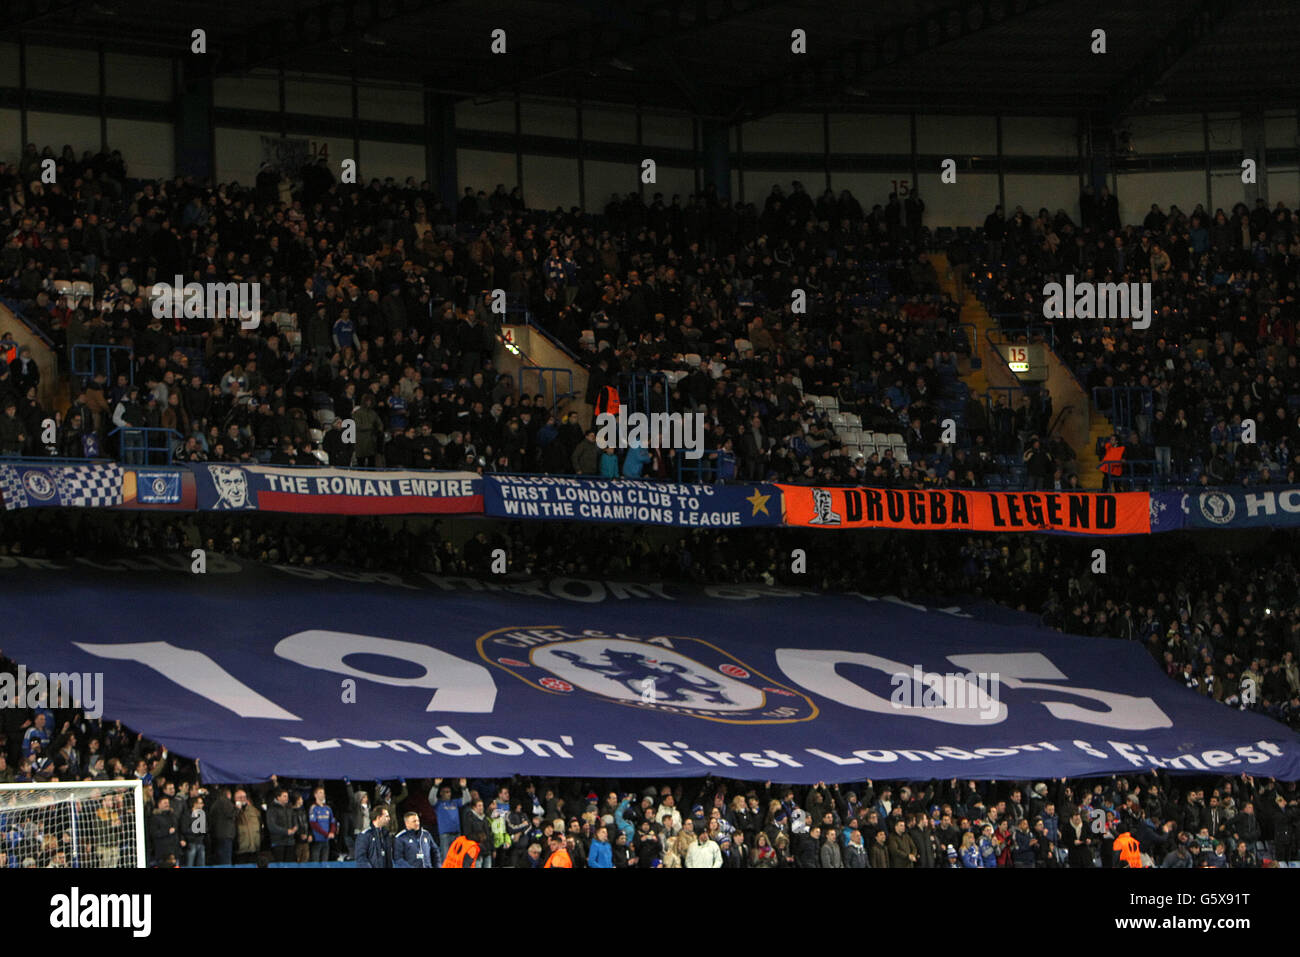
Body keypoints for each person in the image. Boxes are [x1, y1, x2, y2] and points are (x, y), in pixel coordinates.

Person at [266, 788, 297, 863]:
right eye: (284, 796)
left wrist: (295, 827)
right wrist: (286, 831)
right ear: (278, 797)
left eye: (287, 796)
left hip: (290, 842)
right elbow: (271, 826)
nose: (287, 798)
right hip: (278, 842)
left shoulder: (289, 807)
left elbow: (294, 819)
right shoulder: (272, 809)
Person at [307, 787, 337, 863]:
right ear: (315, 795)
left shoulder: (328, 808)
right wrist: (326, 833)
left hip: (326, 839)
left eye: (323, 793)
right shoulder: (313, 808)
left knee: (325, 861)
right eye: (320, 792)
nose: (322, 794)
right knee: (315, 861)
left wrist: (332, 832)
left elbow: (332, 822)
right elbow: (313, 824)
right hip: (317, 839)